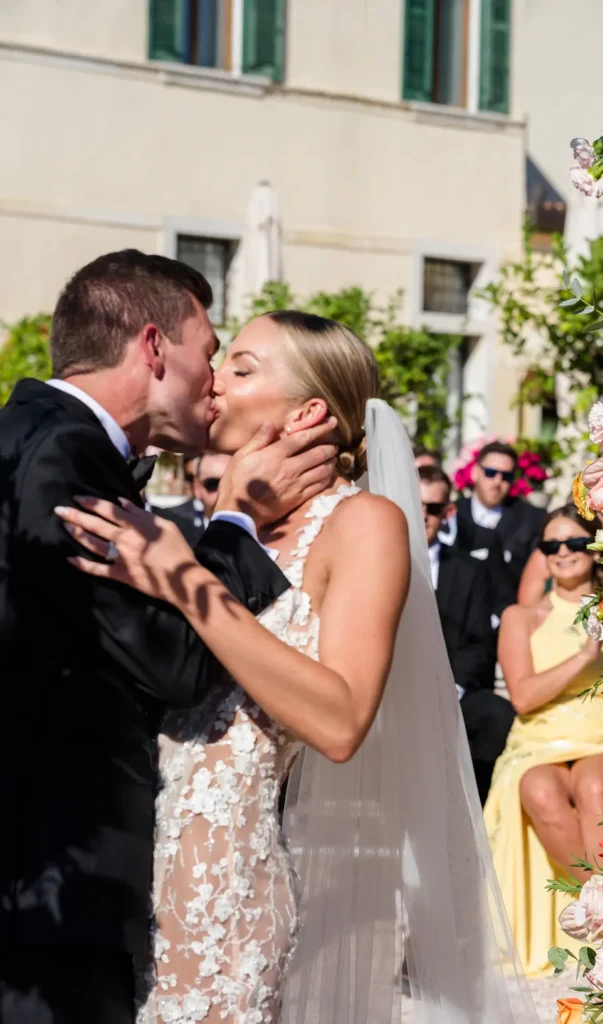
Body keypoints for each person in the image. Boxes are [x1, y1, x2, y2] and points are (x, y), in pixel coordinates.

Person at [58, 311, 537, 1024]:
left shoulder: (363, 522)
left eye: (242, 367)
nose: (214, 378)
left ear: (310, 411)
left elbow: (341, 720)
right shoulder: (233, 520)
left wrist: (187, 583)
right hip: (120, 872)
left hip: (219, 889)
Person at [0, 251, 340, 1024]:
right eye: (212, 354)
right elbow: (177, 662)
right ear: (154, 348)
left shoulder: (25, 435)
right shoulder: (62, 455)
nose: (213, 382)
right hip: (52, 895)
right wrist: (235, 523)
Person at [483, 505, 603, 977]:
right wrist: (586, 655)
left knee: (593, 787)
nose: (562, 553)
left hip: (600, 735)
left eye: (574, 543)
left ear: (593, 548)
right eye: (550, 545)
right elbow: (523, 696)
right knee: (538, 789)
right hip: (537, 740)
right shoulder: (521, 616)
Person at [419, 465, 514, 805]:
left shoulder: (468, 569)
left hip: (452, 692)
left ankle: (473, 809)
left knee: (497, 715)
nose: (423, 515)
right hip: (388, 692)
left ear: (447, 512)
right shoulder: (375, 563)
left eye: (432, 508)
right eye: (415, 505)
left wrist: (450, 691)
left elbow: (479, 642)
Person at [455, 442, 545, 614]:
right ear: (475, 472)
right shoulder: (451, 515)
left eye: (506, 476)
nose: (497, 481)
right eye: (490, 473)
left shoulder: (531, 519)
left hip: (507, 618)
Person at [155, 451, 231, 545]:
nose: (223, 491)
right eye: (213, 484)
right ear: (197, 488)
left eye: (230, 483)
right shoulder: (170, 530)